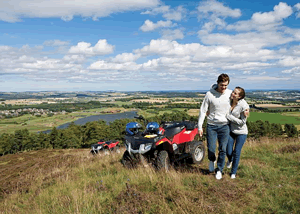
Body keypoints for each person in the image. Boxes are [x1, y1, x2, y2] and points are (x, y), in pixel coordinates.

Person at [198, 73, 232, 180]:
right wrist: (200, 126)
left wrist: (246, 109)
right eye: (222, 85)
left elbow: (240, 102)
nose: (224, 88)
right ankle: (212, 160)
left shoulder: (230, 93)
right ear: (218, 83)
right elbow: (203, 110)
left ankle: (219, 170)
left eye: (226, 85)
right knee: (211, 148)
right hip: (211, 125)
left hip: (224, 126)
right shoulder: (209, 94)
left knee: (223, 149)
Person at [226, 86, 249, 179]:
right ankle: (230, 160)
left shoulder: (243, 105)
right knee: (228, 150)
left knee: (237, 152)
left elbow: (242, 122)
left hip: (241, 132)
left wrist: (229, 117)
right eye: (233, 92)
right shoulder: (229, 100)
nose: (232, 94)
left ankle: (233, 173)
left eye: (235, 93)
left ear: (239, 96)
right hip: (231, 131)